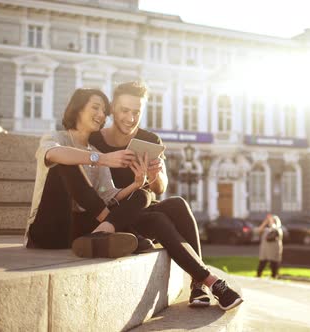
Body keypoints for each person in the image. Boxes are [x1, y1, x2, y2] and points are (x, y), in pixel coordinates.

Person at [89, 81, 243, 311]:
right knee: (156, 217)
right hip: (114, 214)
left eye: (136, 112)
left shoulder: (150, 141)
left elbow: (160, 187)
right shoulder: (95, 141)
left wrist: (154, 175)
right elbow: (94, 190)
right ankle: (209, 281)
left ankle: (197, 284)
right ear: (112, 109)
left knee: (177, 204)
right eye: (125, 111)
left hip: (142, 207)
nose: (131, 118)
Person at [24, 88, 152, 259]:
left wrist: (136, 184)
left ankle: (102, 233)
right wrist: (101, 159)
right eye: (95, 107)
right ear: (78, 108)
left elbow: (108, 195)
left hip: (76, 233)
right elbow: (52, 154)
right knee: (65, 160)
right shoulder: (57, 138)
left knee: (142, 194)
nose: (101, 115)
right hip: (47, 230)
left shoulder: (96, 151)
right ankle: (121, 231)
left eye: (104, 111)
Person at [256, 214, 284, 278]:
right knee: (262, 263)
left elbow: (273, 228)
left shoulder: (278, 230)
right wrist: (265, 223)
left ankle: (274, 276)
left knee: (274, 264)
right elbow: (258, 230)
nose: (270, 222)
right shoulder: (266, 230)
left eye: (273, 221)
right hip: (265, 250)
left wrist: (271, 220)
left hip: (273, 251)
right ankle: (258, 275)